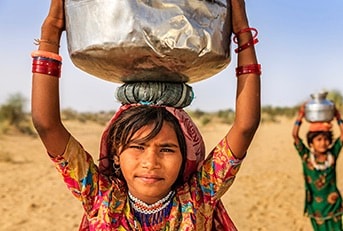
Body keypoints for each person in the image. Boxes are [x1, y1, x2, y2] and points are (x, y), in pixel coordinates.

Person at [31, 0, 261, 230]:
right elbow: (47, 125)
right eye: (137, 147)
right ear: (116, 155)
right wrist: (50, 32)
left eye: (167, 149)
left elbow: (245, 126)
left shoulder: (196, 200)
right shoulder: (102, 198)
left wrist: (243, 34)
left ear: (185, 158)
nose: (151, 163)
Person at [292, 103, 343, 231]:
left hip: (334, 205)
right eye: (318, 139)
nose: (323, 143)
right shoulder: (306, 156)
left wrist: (337, 115)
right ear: (311, 142)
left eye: (326, 139)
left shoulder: (332, 154)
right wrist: (300, 117)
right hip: (316, 207)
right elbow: (295, 136)